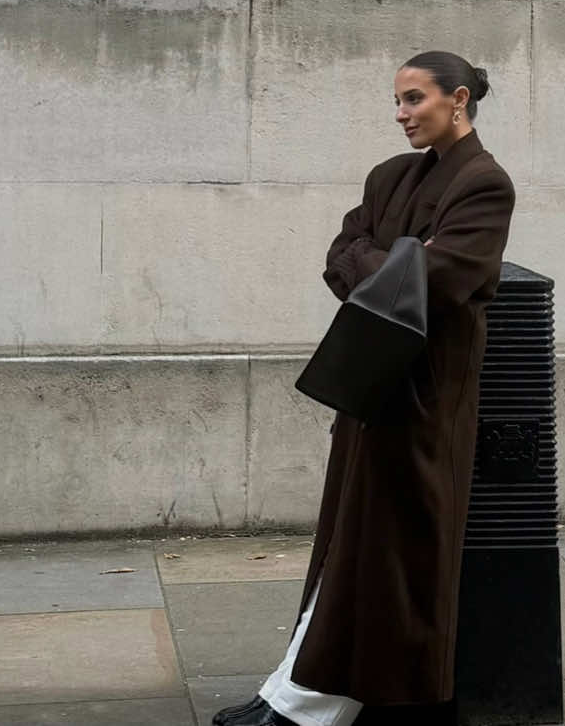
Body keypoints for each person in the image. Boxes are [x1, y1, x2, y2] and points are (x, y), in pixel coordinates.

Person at [214, 50, 516, 726]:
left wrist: (380, 263)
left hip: (425, 396)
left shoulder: (485, 184)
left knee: (384, 549)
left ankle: (305, 704)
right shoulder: (389, 176)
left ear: (457, 99)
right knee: (349, 543)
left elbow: (439, 281)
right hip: (370, 379)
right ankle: (292, 690)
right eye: (399, 100)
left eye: (414, 99)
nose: (401, 113)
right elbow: (340, 257)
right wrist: (393, 261)